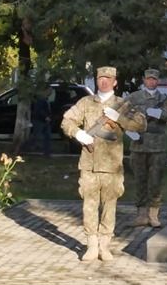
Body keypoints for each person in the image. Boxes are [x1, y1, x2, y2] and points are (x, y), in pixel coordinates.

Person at [62, 66, 146, 262]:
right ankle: (91, 245)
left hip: (112, 166)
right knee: (89, 205)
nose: (104, 81)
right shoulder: (85, 102)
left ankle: (104, 245)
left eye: (109, 78)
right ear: (97, 80)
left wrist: (120, 118)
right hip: (89, 165)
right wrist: (78, 133)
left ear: (115, 82)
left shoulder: (122, 104)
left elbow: (141, 124)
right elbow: (67, 121)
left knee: (110, 206)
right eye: (101, 78)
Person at [124, 67, 167, 228]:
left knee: (156, 181)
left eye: (154, 79)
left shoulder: (165, 100)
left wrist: (159, 114)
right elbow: (122, 118)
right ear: (144, 80)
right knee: (139, 181)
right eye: (148, 78)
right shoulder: (134, 97)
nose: (151, 81)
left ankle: (153, 215)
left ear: (158, 81)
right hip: (138, 146)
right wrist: (131, 134)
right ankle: (141, 215)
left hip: (158, 147)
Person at [30, 86, 53, 157]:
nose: (51, 92)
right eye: (50, 91)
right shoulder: (41, 99)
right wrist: (45, 117)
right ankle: (24, 148)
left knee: (47, 136)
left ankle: (47, 153)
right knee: (36, 136)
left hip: (44, 121)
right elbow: (38, 110)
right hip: (39, 120)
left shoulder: (45, 99)